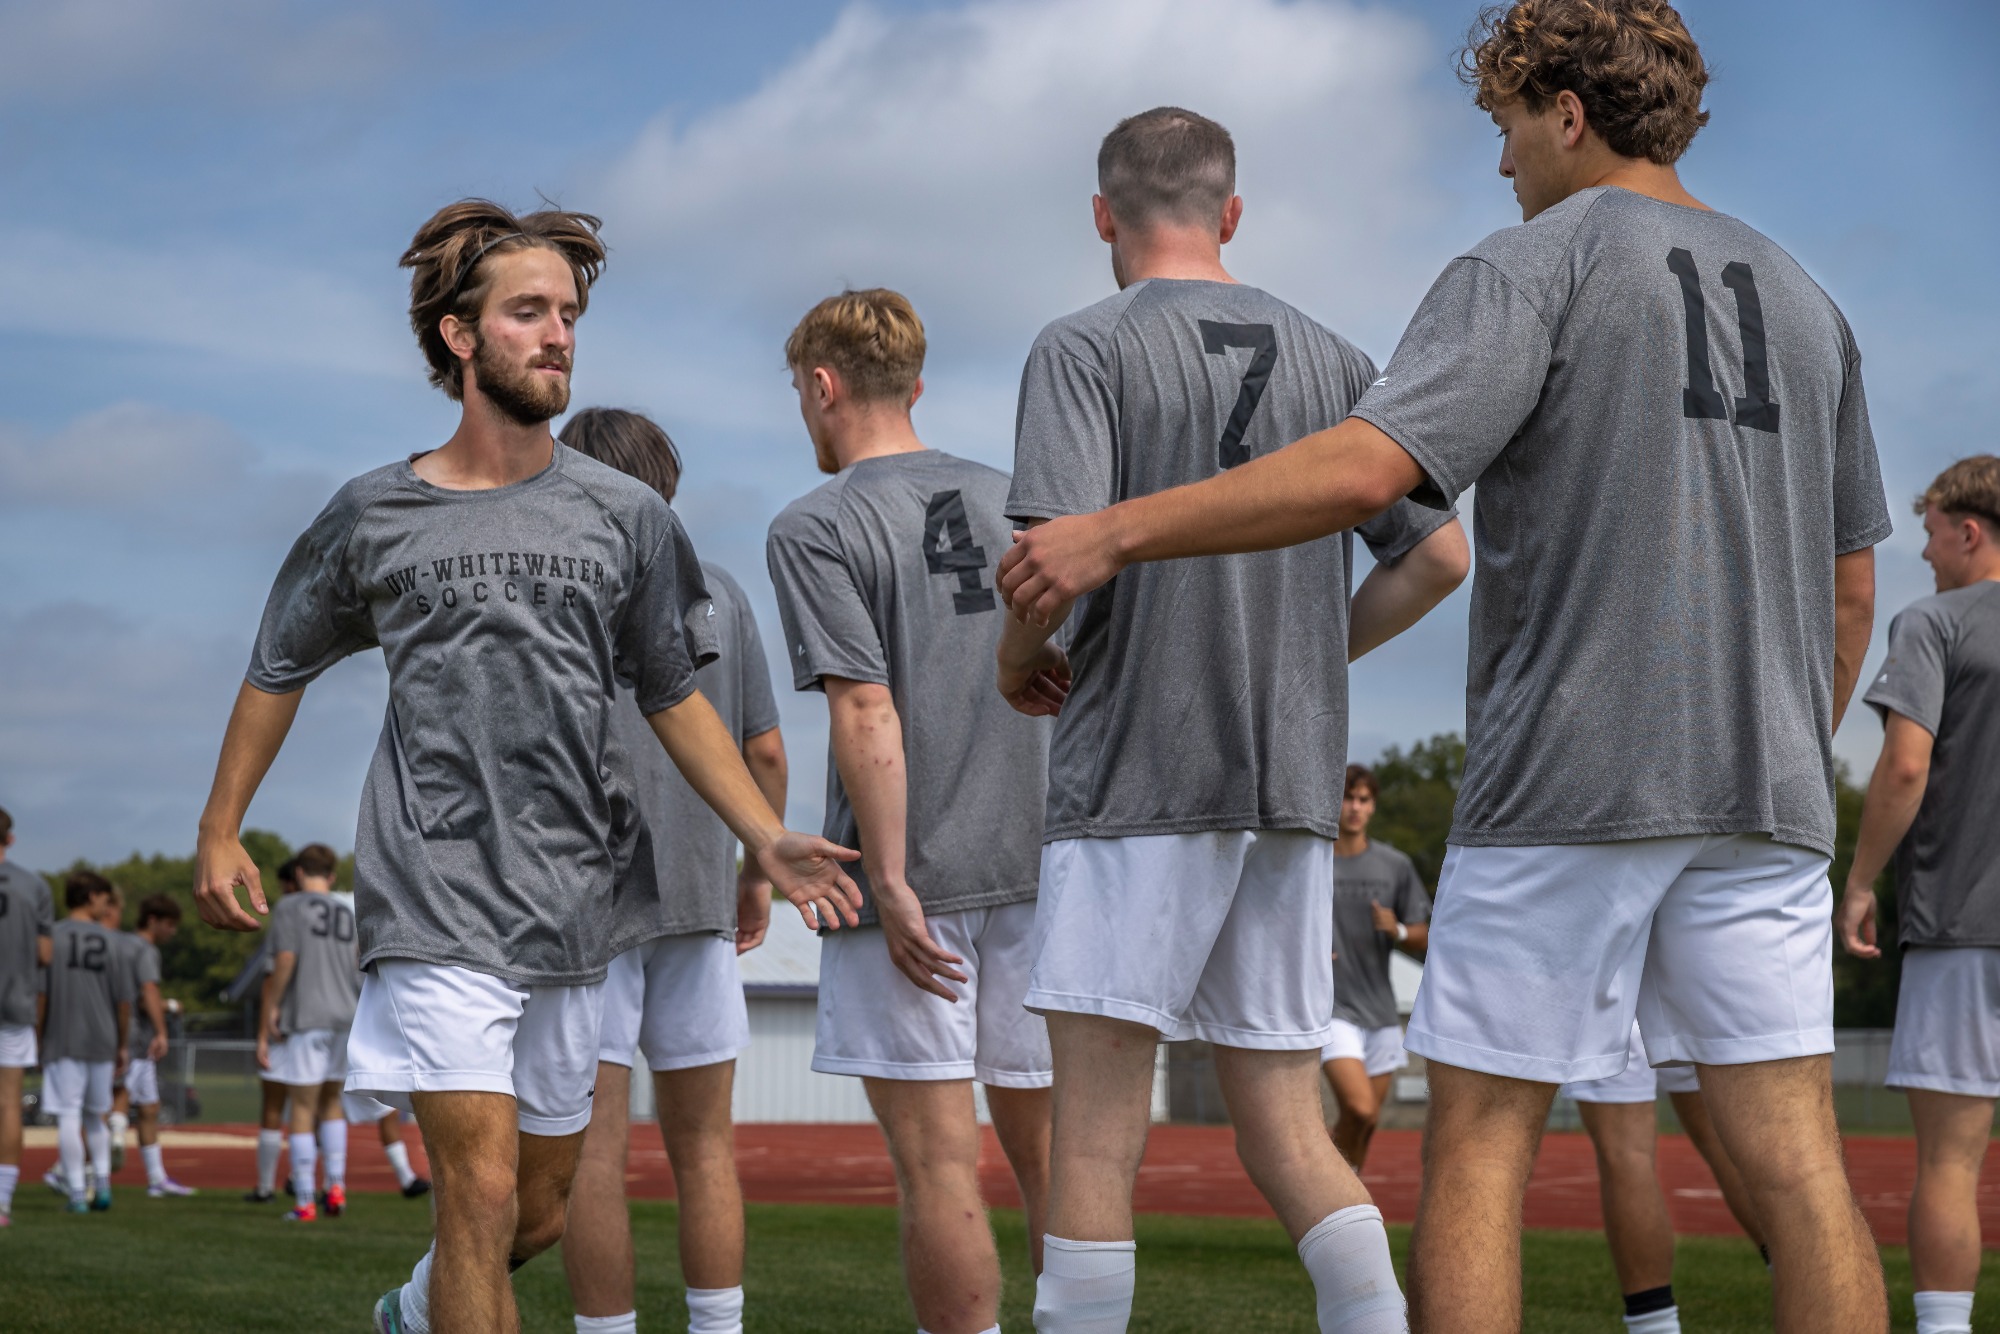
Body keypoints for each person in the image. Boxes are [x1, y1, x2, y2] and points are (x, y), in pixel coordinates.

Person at [996, 6, 1894, 1327]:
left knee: (1476, 1142)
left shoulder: (1537, 261)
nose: (1502, 162)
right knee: (1806, 1167)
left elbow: (1373, 470)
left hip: (1568, 787)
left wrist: (1111, 532)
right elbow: (1853, 578)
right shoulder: (1813, 303)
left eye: (1509, 124)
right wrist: (1787, 752)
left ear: (1568, 114)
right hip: (1768, 798)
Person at [192, 197, 859, 1334]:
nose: (558, 334)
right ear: (459, 337)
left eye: (567, 313)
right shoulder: (373, 513)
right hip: (433, 895)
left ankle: (410, 1309)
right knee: (477, 1193)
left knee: (536, 1212)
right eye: (527, 312)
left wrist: (763, 831)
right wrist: (219, 826)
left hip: (574, 911)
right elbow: (276, 665)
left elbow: (669, 692)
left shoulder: (628, 517)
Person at [996, 108, 1467, 1334]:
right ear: (1232, 213)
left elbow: (1049, 564)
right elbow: (1440, 557)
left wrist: (1016, 661)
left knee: (1093, 1143)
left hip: (1136, 772)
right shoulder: (1335, 357)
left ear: (1102, 213)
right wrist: (1317, 652)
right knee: (1285, 1124)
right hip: (1289, 786)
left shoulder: (1080, 345)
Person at [769, 290, 1059, 1334]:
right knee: (1056, 1152)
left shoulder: (816, 522)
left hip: (910, 877)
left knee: (938, 1163)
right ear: (917, 385)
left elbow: (864, 704)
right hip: (1041, 862)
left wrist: (886, 876)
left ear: (820, 384)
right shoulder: (1015, 499)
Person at [557, 407, 788, 1334]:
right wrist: (754, 871)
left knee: (591, 1158)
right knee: (705, 1152)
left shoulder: (559, 587)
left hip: (588, 905)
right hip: (698, 898)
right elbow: (764, 752)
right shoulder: (722, 593)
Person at [1840, 455, 2000, 1334]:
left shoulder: (1933, 622)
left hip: (1965, 928)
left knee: (1949, 1160)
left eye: (1933, 535)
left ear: (1967, 530)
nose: (1929, 555)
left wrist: (1860, 883)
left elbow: (1906, 766)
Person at [1556, 1021, 1769, 1333]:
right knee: (1725, 1140)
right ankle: (1800, 1279)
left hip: (1611, 985)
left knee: (1627, 1153)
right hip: (1690, 986)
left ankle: (1655, 1327)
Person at [1321, 765, 1427, 1171]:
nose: (1354, 807)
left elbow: (1424, 934)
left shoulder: (1394, 865)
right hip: (1332, 1008)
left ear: (1373, 807)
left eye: (1363, 799)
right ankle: (1327, 1193)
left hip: (1381, 1011)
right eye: (1347, 798)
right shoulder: (1310, 861)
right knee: (1360, 1110)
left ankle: (1344, 1207)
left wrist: (1397, 928)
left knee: (1364, 1125)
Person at [258, 842, 359, 1222]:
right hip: (346, 1016)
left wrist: (272, 1010)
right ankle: (336, 1189)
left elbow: (285, 960)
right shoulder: (347, 911)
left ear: (298, 873)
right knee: (332, 1105)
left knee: (301, 1107)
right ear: (331, 876)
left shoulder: (290, 906)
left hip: (308, 1016)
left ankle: (304, 1200)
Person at [40, 871, 133, 1213]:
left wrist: (38, 1035)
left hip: (62, 1036)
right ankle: (103, 1187)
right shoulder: (113, 941)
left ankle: (78, 1193)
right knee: (97, 1116)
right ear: (92, 896)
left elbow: (40, 993)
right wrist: (122, 1043)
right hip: (103, 1037)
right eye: (104, 898)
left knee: (68, 1115)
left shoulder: (51, 934)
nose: (107, 905)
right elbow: (124, 1001)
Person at [115, 894, 195, 1198]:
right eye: (169, 924)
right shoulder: (144, 949)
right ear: (152, 921)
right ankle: (66, 1169)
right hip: (136, 1038)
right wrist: (162, 1029)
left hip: (118, 1033)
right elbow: (147, 989)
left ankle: (156, 1178)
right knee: (118, 1104)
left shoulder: (118, 943)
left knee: (149, 1107)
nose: (172, 931)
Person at [0, 806, 54, 1227]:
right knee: (9, 1105)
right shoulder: (33, 885)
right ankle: (1, 1203)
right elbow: (45, 955)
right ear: (11, 839)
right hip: (15, 1005)